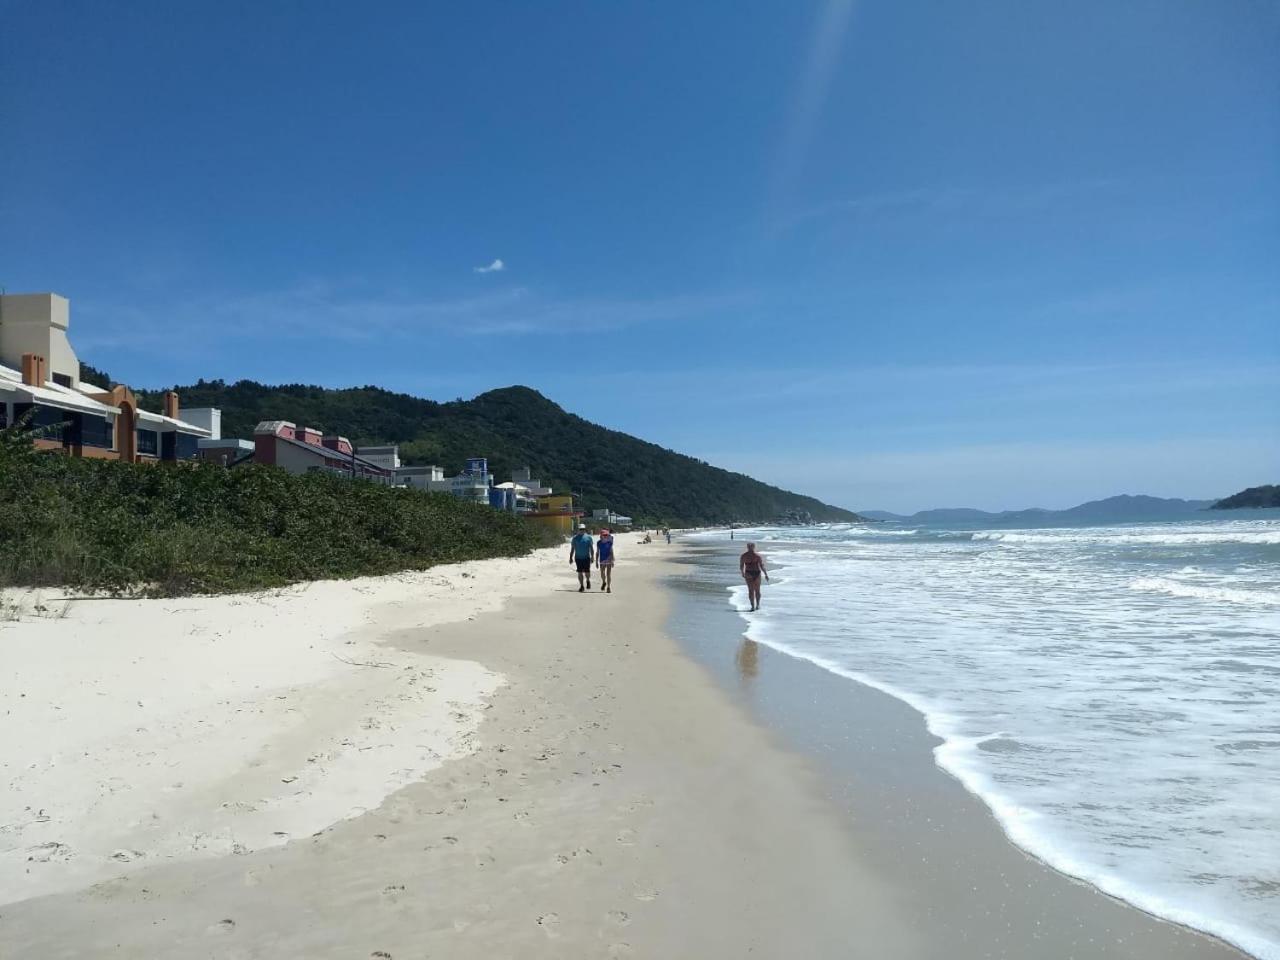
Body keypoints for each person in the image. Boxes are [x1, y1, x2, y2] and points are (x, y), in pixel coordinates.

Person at [739, 542, 769, 611]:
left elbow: (741, 566)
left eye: (750, 547)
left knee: (754, 590)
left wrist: (743, 573)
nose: (750, 548)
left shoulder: (744, 556)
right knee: (754, 590)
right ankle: (755, 605)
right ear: (754, 547)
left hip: (751, 573)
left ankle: (755, 605)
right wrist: (766, 574)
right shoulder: (756, 556)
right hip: (753, 573)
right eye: (750, 547)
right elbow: (761, 566)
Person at [569, 523, 595, 592]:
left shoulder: (588, 537)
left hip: (586, 558)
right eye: (580, 529)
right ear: (578, 530)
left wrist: (592, 557)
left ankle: (588, 580)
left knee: (587, 572)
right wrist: (570, 557)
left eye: (583, 529)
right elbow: (572, 549)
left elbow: (591, 548)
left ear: (585, 529)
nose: (582, 530)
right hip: (578, 558)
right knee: (579, 572)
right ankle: (581, 586)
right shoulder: (575, 538)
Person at [596, 528, 615, 593]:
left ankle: (608, 587)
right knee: (602, 573)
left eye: (606, 535)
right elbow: (597, 552)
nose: (605, 536)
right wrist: (596, 561)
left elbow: (611, 551)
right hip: (602, 559)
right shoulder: (599, 543)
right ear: (601, 535)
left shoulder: (609, 542)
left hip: (609, 559)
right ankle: (604, 582)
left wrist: (612, 560)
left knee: (608, 574)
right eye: (604, 535)